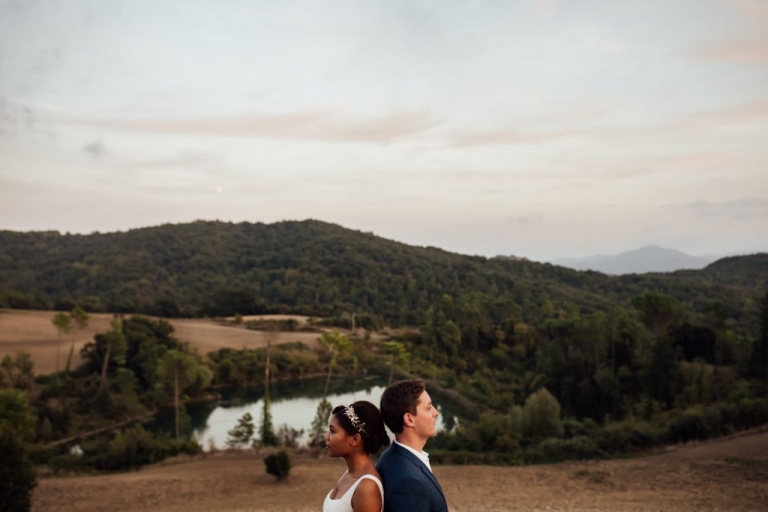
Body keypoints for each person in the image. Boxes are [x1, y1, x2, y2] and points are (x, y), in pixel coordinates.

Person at [376, 379, 448, 512]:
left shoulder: (389, 456)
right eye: (428, 408)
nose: (436, 412)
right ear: (409, 419)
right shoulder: (408, 482)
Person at [324, 400, 391, 512]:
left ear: (355, 439)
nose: (327, 437)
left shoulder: (367, 487)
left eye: (332, 431)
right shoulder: (349, 474)